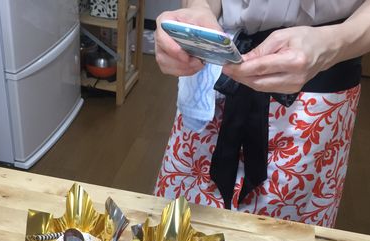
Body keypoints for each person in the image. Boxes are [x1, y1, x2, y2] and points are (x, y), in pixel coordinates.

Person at [153, 0, 370, 227]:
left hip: (316, 102)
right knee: (177, 234)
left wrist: (336, 43)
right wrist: (198, 8)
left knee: (289, 239)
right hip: (212, 83)